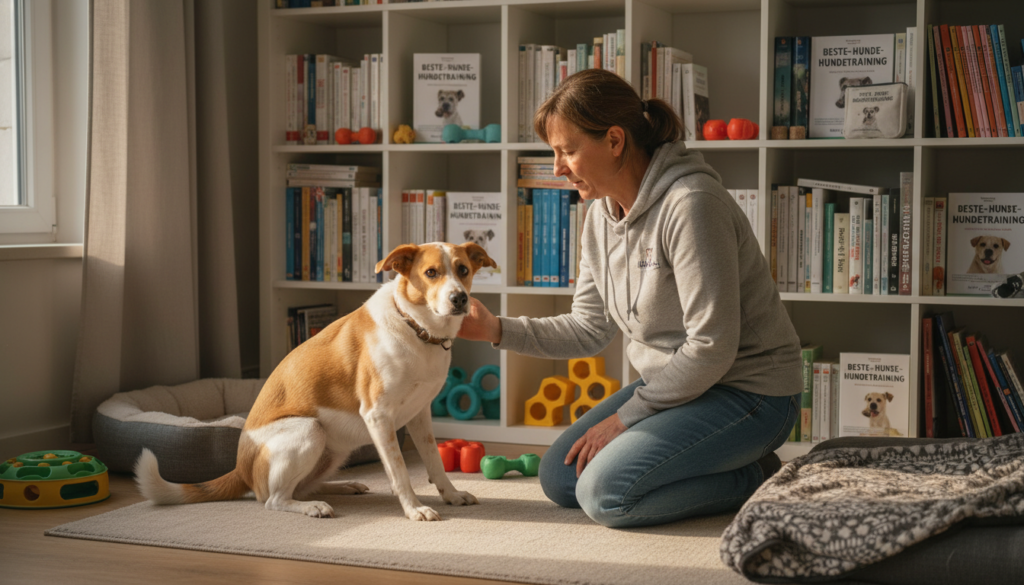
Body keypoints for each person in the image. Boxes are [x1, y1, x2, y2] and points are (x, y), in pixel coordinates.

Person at [457, 68, 802, 528]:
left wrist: (624, 419)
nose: (557, 167)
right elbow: (588, 329)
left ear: (615, 141)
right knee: (560, 478)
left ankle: (756, 478)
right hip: (678, 390)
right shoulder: (600, 216)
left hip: (751, 393)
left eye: (568, 151)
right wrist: (497, 329)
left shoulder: (692, 204)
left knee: (606, 494)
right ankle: (726, 466)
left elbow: (712, 346)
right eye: (554, 153)